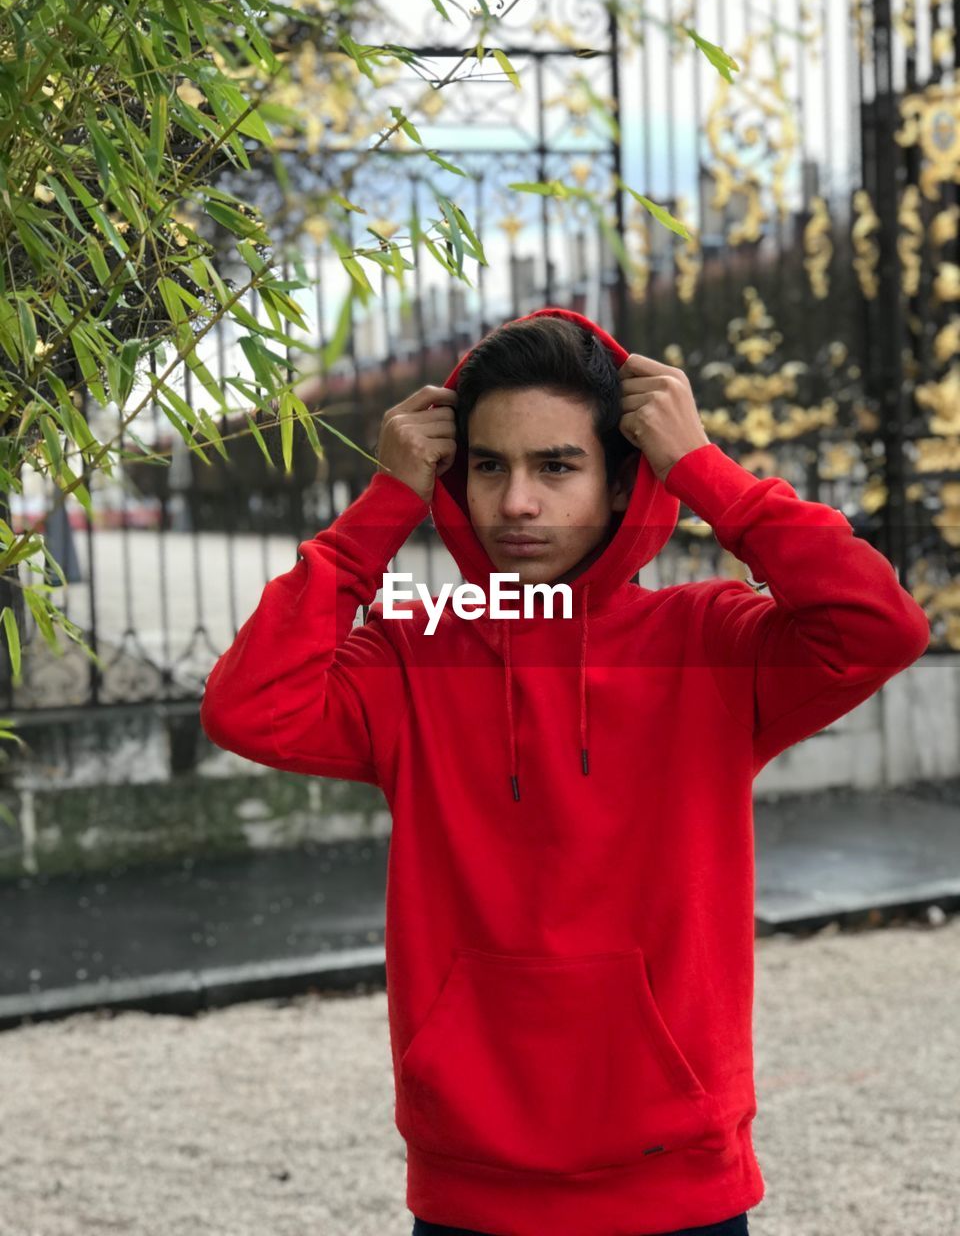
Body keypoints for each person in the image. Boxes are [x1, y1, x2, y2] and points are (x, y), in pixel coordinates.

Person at [200, 307, 930, 1236]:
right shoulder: (413, 654)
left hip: (678, 1178)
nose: (515, 504)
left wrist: (707, 473)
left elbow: (882, 627)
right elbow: (246, 704)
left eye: (556, 467)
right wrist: (383, 506)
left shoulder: (706, 643)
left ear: (624, 483)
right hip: (474, 1179)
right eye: (489, 466)